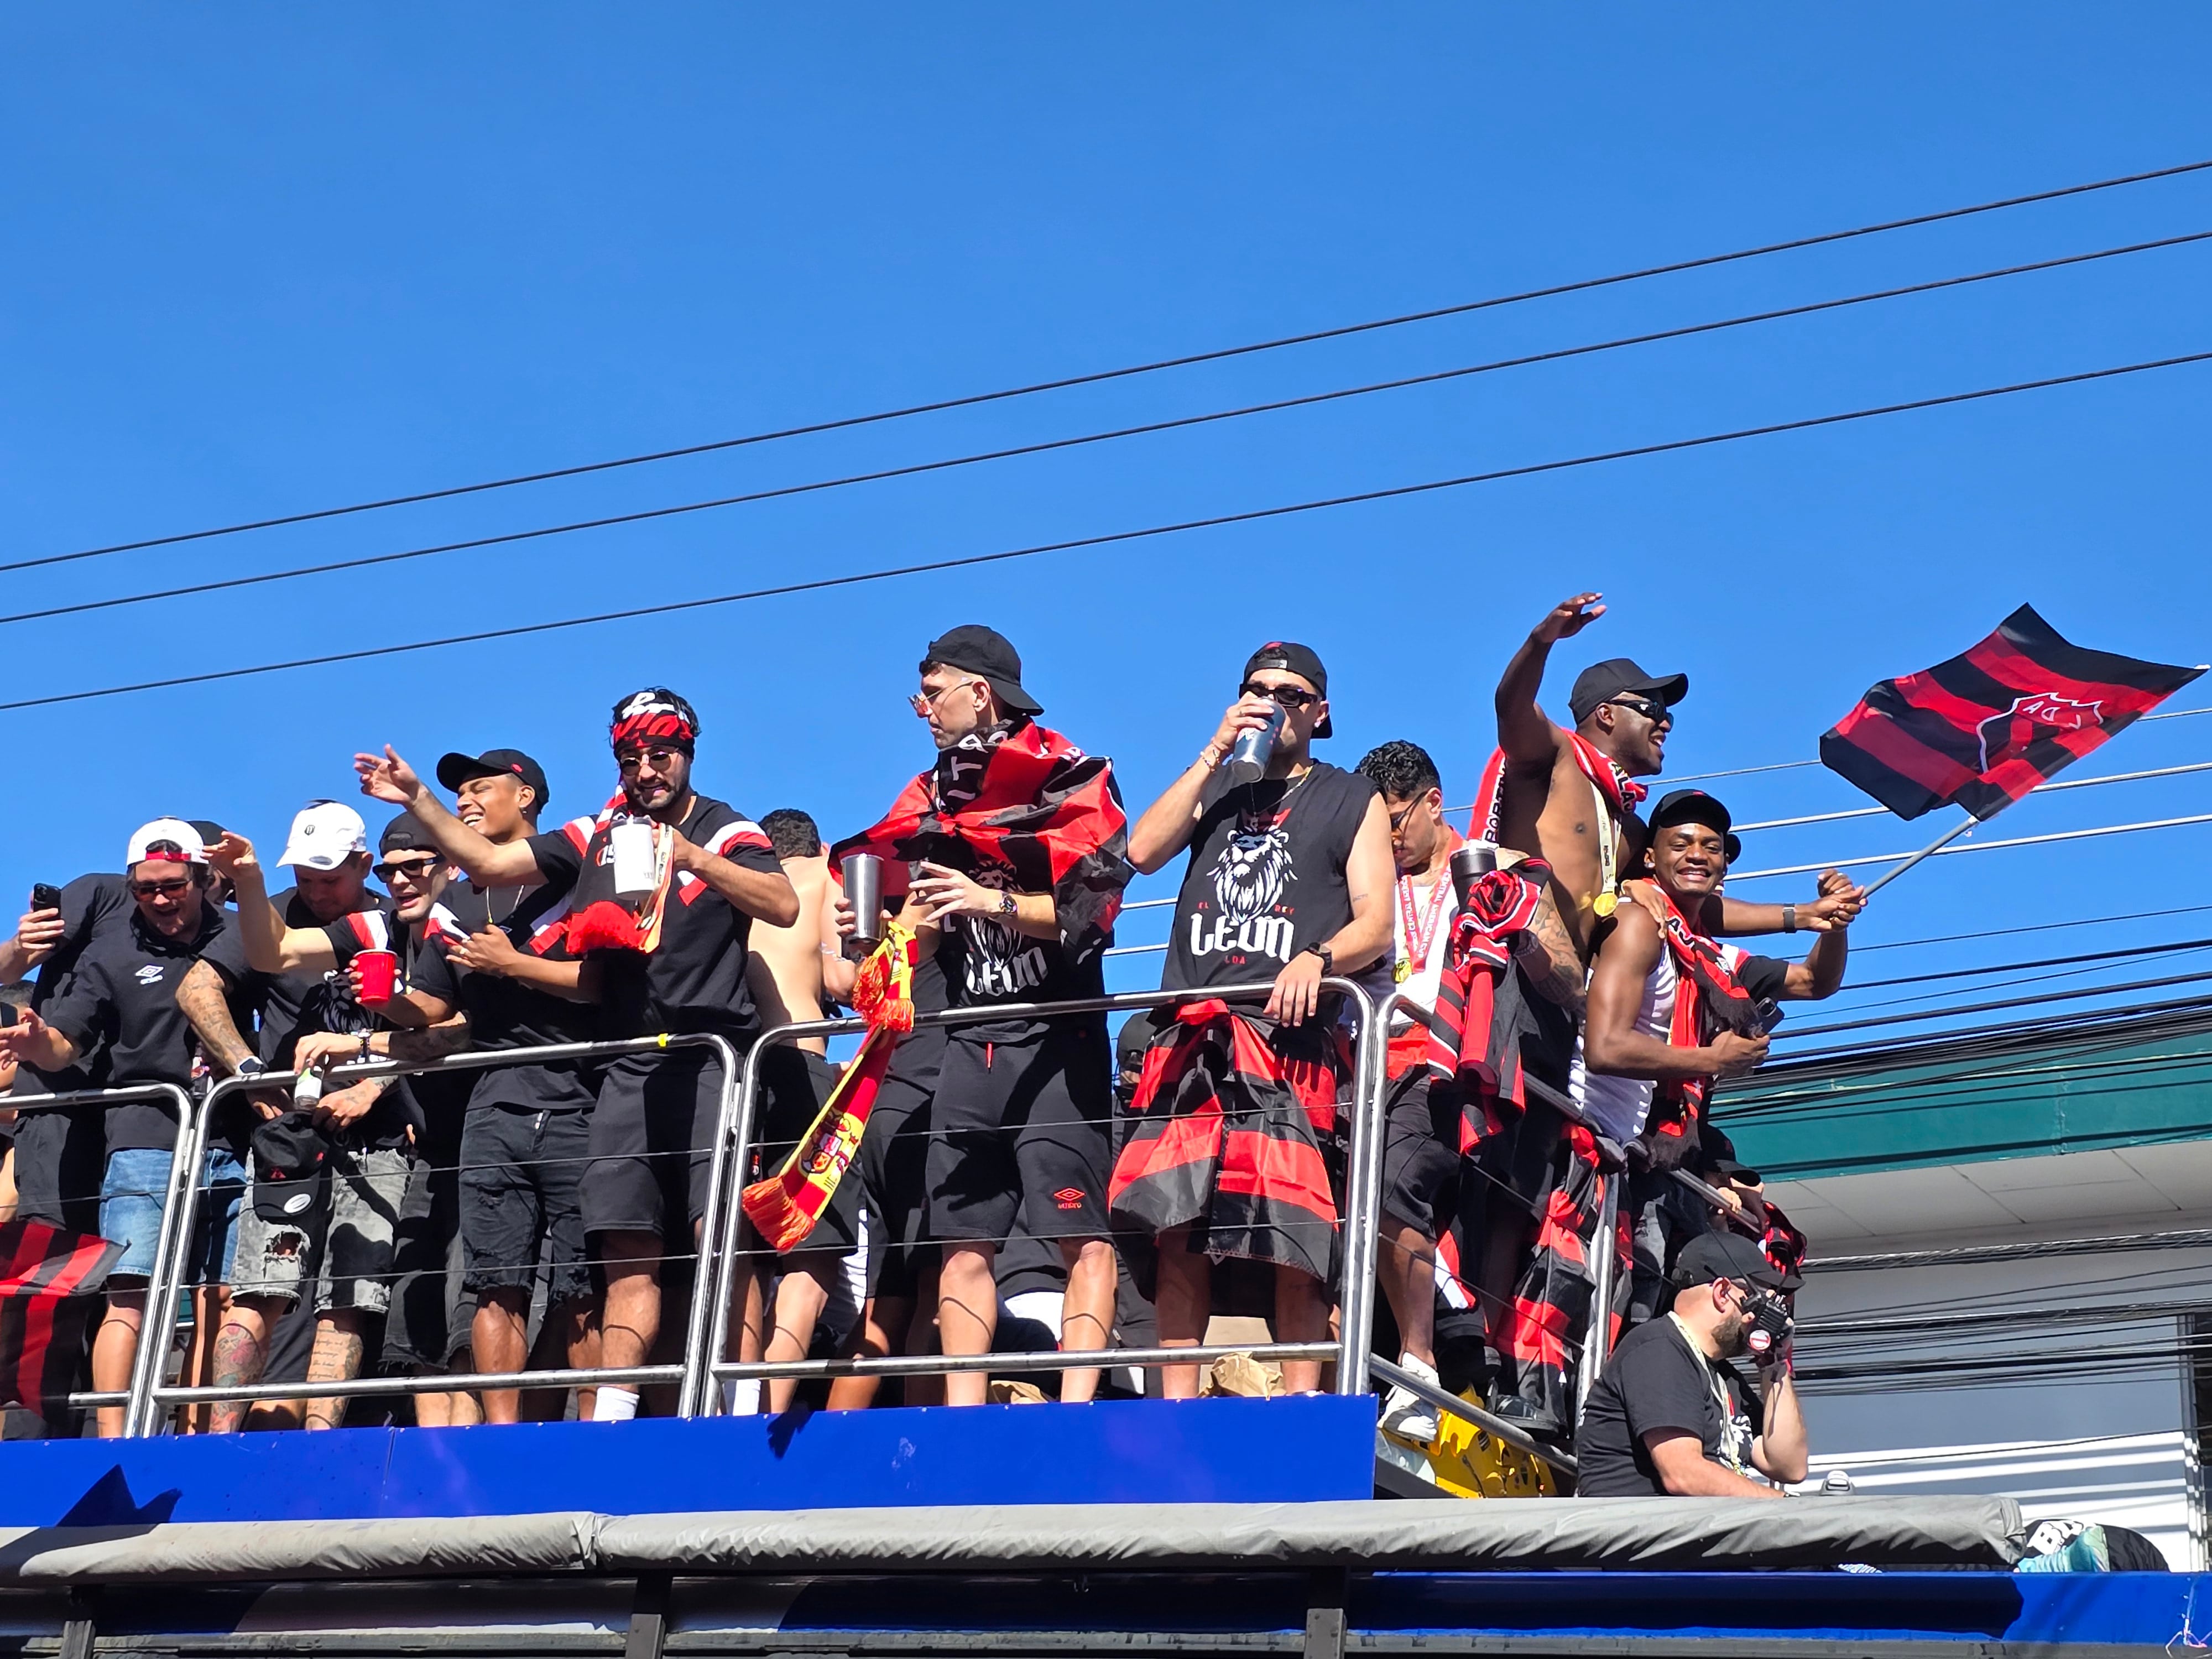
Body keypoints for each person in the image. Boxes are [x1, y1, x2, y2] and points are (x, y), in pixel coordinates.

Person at [354, 688, 799, 1423]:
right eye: (632, 757)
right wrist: (417, 798)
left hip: (710, 1060)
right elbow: (490, 864)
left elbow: (781, 906)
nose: (647, 770)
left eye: (661, 755)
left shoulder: (724, 828)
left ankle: (737, 1407)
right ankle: (615, 1418)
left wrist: (686, 855)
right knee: (626, 1251)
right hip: (623, 1068)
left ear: (688, 753)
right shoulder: (598, 829)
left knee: (719, 1243)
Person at [833, 627, 1131, 1408]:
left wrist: (989, 899)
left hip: (1056, 1039)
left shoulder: (1071, 775)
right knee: (961, 1243)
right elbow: (911, 903)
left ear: (981, 693)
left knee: (1080, 1236)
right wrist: (875, 934)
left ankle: (1075, 1412)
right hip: (969, 1040)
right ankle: (964, 1420)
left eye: (932, 694)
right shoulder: (932, 792)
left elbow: (1095, 912)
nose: (921, 710)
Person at [1117, 642, 1392, 1397]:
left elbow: (1378, 924)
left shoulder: (1350, 795)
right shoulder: (1221, 788)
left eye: (1294, 694)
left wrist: (1317, 958)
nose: (1275, 704)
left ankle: (1302, 1401)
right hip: (1191, 1040)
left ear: (1322, 711)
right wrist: (1215, 749)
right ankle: (1173, 1404)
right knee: (1177, 1231)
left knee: (1290, 1233)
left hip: (1288, 1040)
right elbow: (1140, 851)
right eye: (1258, 690)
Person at [0, 820, 253, 1438]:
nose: (160, 900)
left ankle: (201, 1437)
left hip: (230, 1138)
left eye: (174, 886)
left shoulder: (245, 937)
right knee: (127, 1291)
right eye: (146, 889)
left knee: (217, 1298)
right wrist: (39, 1043)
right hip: (139, 1136)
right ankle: (114, 1441)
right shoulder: (110, 948)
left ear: (203, 880)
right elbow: (66, 1038)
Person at [204, 813, 455, 1432]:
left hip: (382, 1136)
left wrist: (373, 1080)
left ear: (363, 866)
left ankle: (320, 1440)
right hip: (292, 1131)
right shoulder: (366, 924)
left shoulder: (445, 924)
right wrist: (252, 882)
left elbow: (456, 1028)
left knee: (350, 1295)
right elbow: (272, 952)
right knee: (259, 1286)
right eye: (304, 876)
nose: (314, 890)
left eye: (329, 875)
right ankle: (215, 1438)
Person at [1574, 790, 1849, 1324]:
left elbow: (1815, 981)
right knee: (1613, 1297)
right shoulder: (1636, 920)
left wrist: (1831, 925)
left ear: (1724, 863)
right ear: (1650, 857)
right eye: (1680, 842)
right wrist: (1712, 1058)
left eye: (1711, 845)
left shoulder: (1714, 957)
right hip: (1605, 1142)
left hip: (1672, 1158)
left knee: (1664, 1306)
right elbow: (1604, 1048)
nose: (1697, 852)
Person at [1352, 740, 1474, 1441]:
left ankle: (1418, 1365)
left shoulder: (1484, 871)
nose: (1388, 839)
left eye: (1397, 821)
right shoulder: (1365, 874)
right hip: (1358, 1063)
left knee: (1396, 1182)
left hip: (1441, 1067)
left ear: (1434, 803)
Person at [741, 808, 865, 1413]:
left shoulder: (736, 883)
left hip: (736, 1081)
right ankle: (769, 1407)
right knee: (811, 1258)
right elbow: (846, 978)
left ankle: (729, 1404)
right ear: (815, 845)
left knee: (744, 1263)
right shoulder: (820, 874)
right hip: (801, 1075)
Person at [1574, 1230, 1807, 1497]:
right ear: (1722, 1292)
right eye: (1763, 1298)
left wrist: (1774, 1364)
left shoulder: (1724, 1377)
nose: (1770, 1311)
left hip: (1701, 1530)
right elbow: (1683, 1473)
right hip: (1650, 1531)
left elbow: (1788, 1466)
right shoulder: (1658, 1349)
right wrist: (1783, 1505)